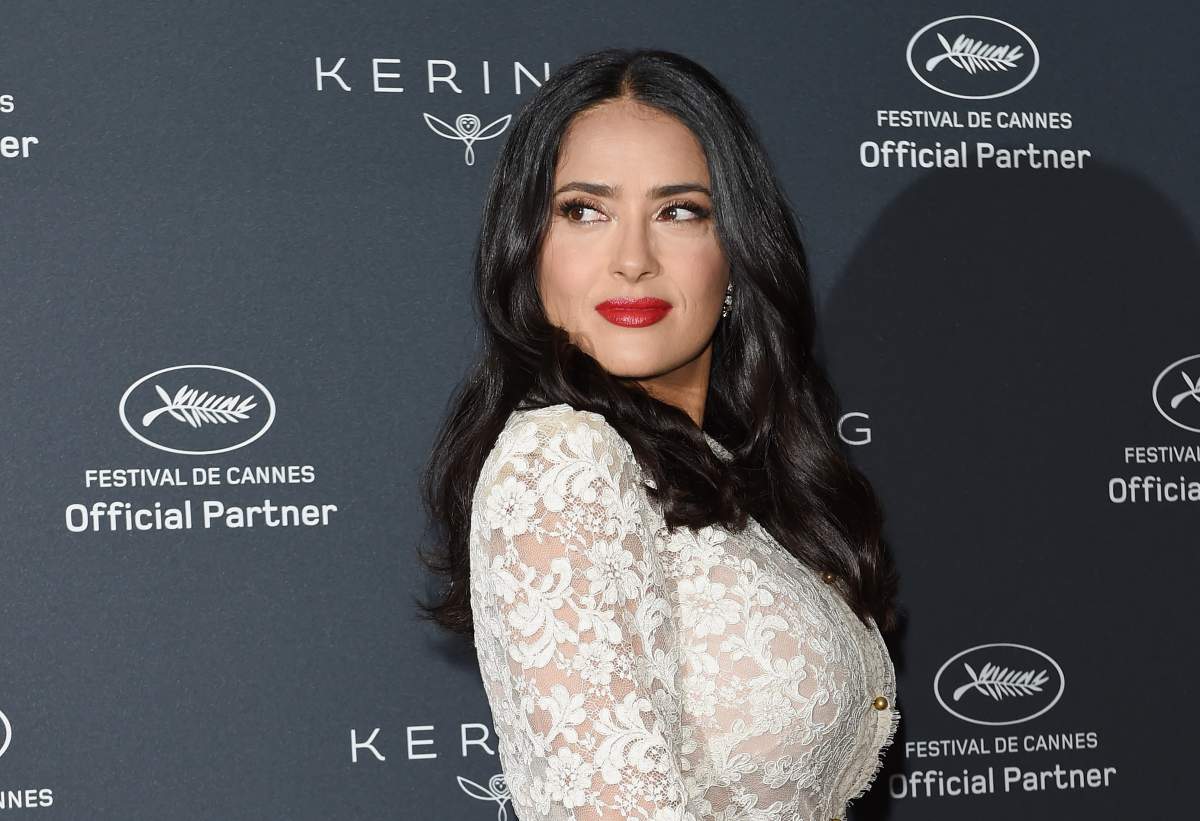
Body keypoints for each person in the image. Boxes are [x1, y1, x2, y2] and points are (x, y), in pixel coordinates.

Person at [417, 47, 900, 821]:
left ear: (735, 254)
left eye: (679, 211)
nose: (633, 260)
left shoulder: (730, 468)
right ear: (528, 250)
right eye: (585, 210)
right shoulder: (565, 460)